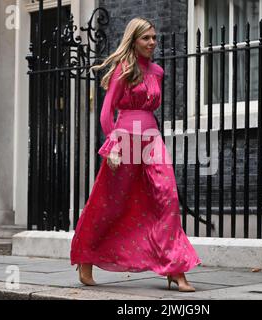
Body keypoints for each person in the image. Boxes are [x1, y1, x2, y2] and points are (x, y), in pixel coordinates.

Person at [70, 17, 202, 292]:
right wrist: (113, 146)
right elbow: (107, 112)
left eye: (154, 37)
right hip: (125, 140)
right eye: (146, 38)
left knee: (167, 197)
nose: (152, 42)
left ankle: (175, 268)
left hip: (152, 140)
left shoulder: (157, 71)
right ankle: (86, 256)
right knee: (112, 203)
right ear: (134, 40)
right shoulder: (123, 69)